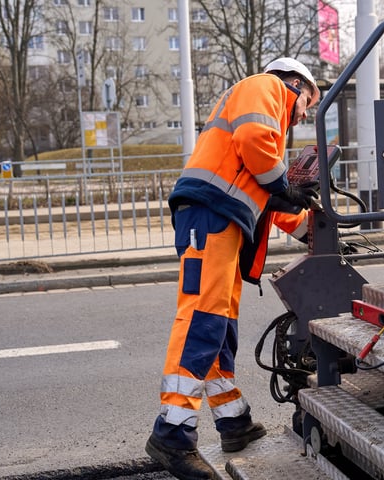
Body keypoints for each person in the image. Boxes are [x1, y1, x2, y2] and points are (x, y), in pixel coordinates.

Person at [145, 57, 321, 480]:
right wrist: (286, 185)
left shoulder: (266, 126)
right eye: (309, 102)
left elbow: (268, 196)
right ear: (296, 83)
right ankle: (171, 432)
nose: (305, 113)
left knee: (219, 325)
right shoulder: (267, 87)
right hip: (209, 216)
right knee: (201, 319)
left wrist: (309, 227)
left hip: (219, 219)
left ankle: (233, 421)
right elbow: (259, 150)